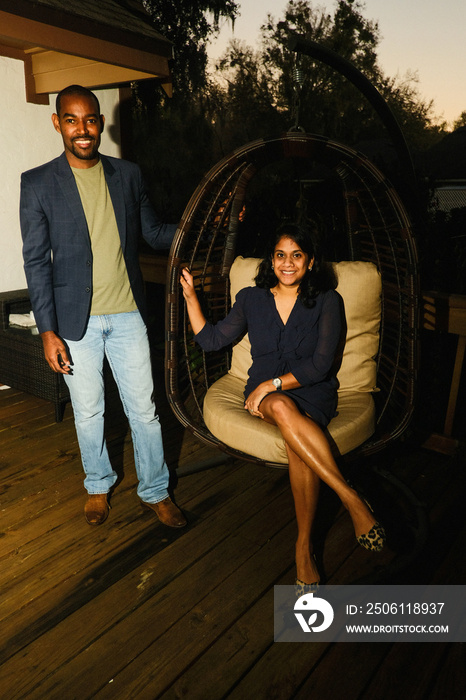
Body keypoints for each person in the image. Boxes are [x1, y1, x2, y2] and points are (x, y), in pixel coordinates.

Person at [180, 222, 385, 591]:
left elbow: (321, 365)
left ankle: (303, 547)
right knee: (278, 406)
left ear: (309, 262)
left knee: (294, 438)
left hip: (310, 390)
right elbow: (212, 340)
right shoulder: (250, 298)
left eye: (296, 255)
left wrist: (271, 384)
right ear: (270, 260)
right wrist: (192, 298)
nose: (287, 263)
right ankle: (350, 497)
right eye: (280, 255)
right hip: (267, 398)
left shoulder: (327, 300)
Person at [20, 84, 186, 529]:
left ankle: (155, 490)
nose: (82, 129)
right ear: (57, 123)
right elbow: (36, 262)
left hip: (129, 315)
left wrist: (204, 223)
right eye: (71, 120)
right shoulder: (37, 183)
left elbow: (153, 234)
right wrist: (48, 331)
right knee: (90, 411)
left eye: (90, 119)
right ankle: (97, 484)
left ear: (101, 122)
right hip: (77, 324)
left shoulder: (127, 175)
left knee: (144, 411)